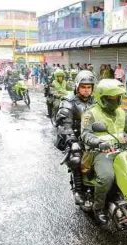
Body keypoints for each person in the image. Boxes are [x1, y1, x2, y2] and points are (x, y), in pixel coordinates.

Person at [81, 79, 127, 224]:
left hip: (121, 149)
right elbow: (85, 134)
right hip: (100, 152)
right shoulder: (91, 113)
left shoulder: (120, 112)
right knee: (107, 177)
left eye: (117, 97)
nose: (115, 101)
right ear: (101, 98)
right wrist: (100, 143)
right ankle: (98, 207)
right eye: (111, 98)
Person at [56, 71, 96, 204]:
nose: (86, 90)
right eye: (83, 87)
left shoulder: (96, 101)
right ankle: (78, 190)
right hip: (74, 137)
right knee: (77, 159)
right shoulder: (68, 101)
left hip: (92, 136)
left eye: (89, 87)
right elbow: (64, 125)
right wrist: (72, 141)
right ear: (77, 86)